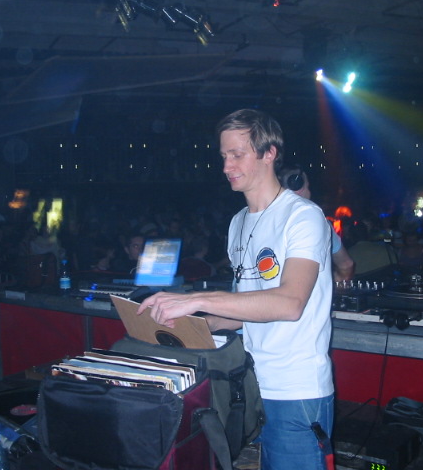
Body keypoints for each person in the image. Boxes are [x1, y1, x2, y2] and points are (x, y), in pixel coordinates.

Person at [138, 109, 334, 470]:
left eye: (237, 154)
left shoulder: (303, 216)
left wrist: (195, 299)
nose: (227, 165)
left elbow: (290, 303)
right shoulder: (238, 222)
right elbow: (248, 309)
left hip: (295, 388)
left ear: (269, 153)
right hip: (248, 383)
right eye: (224, 155)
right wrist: (201, 323)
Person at [277, 164, 354, 282]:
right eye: (308, 186)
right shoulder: (319, 222)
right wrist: (330, 282)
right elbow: (346, 265)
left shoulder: (260, 221)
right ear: (299, 186)